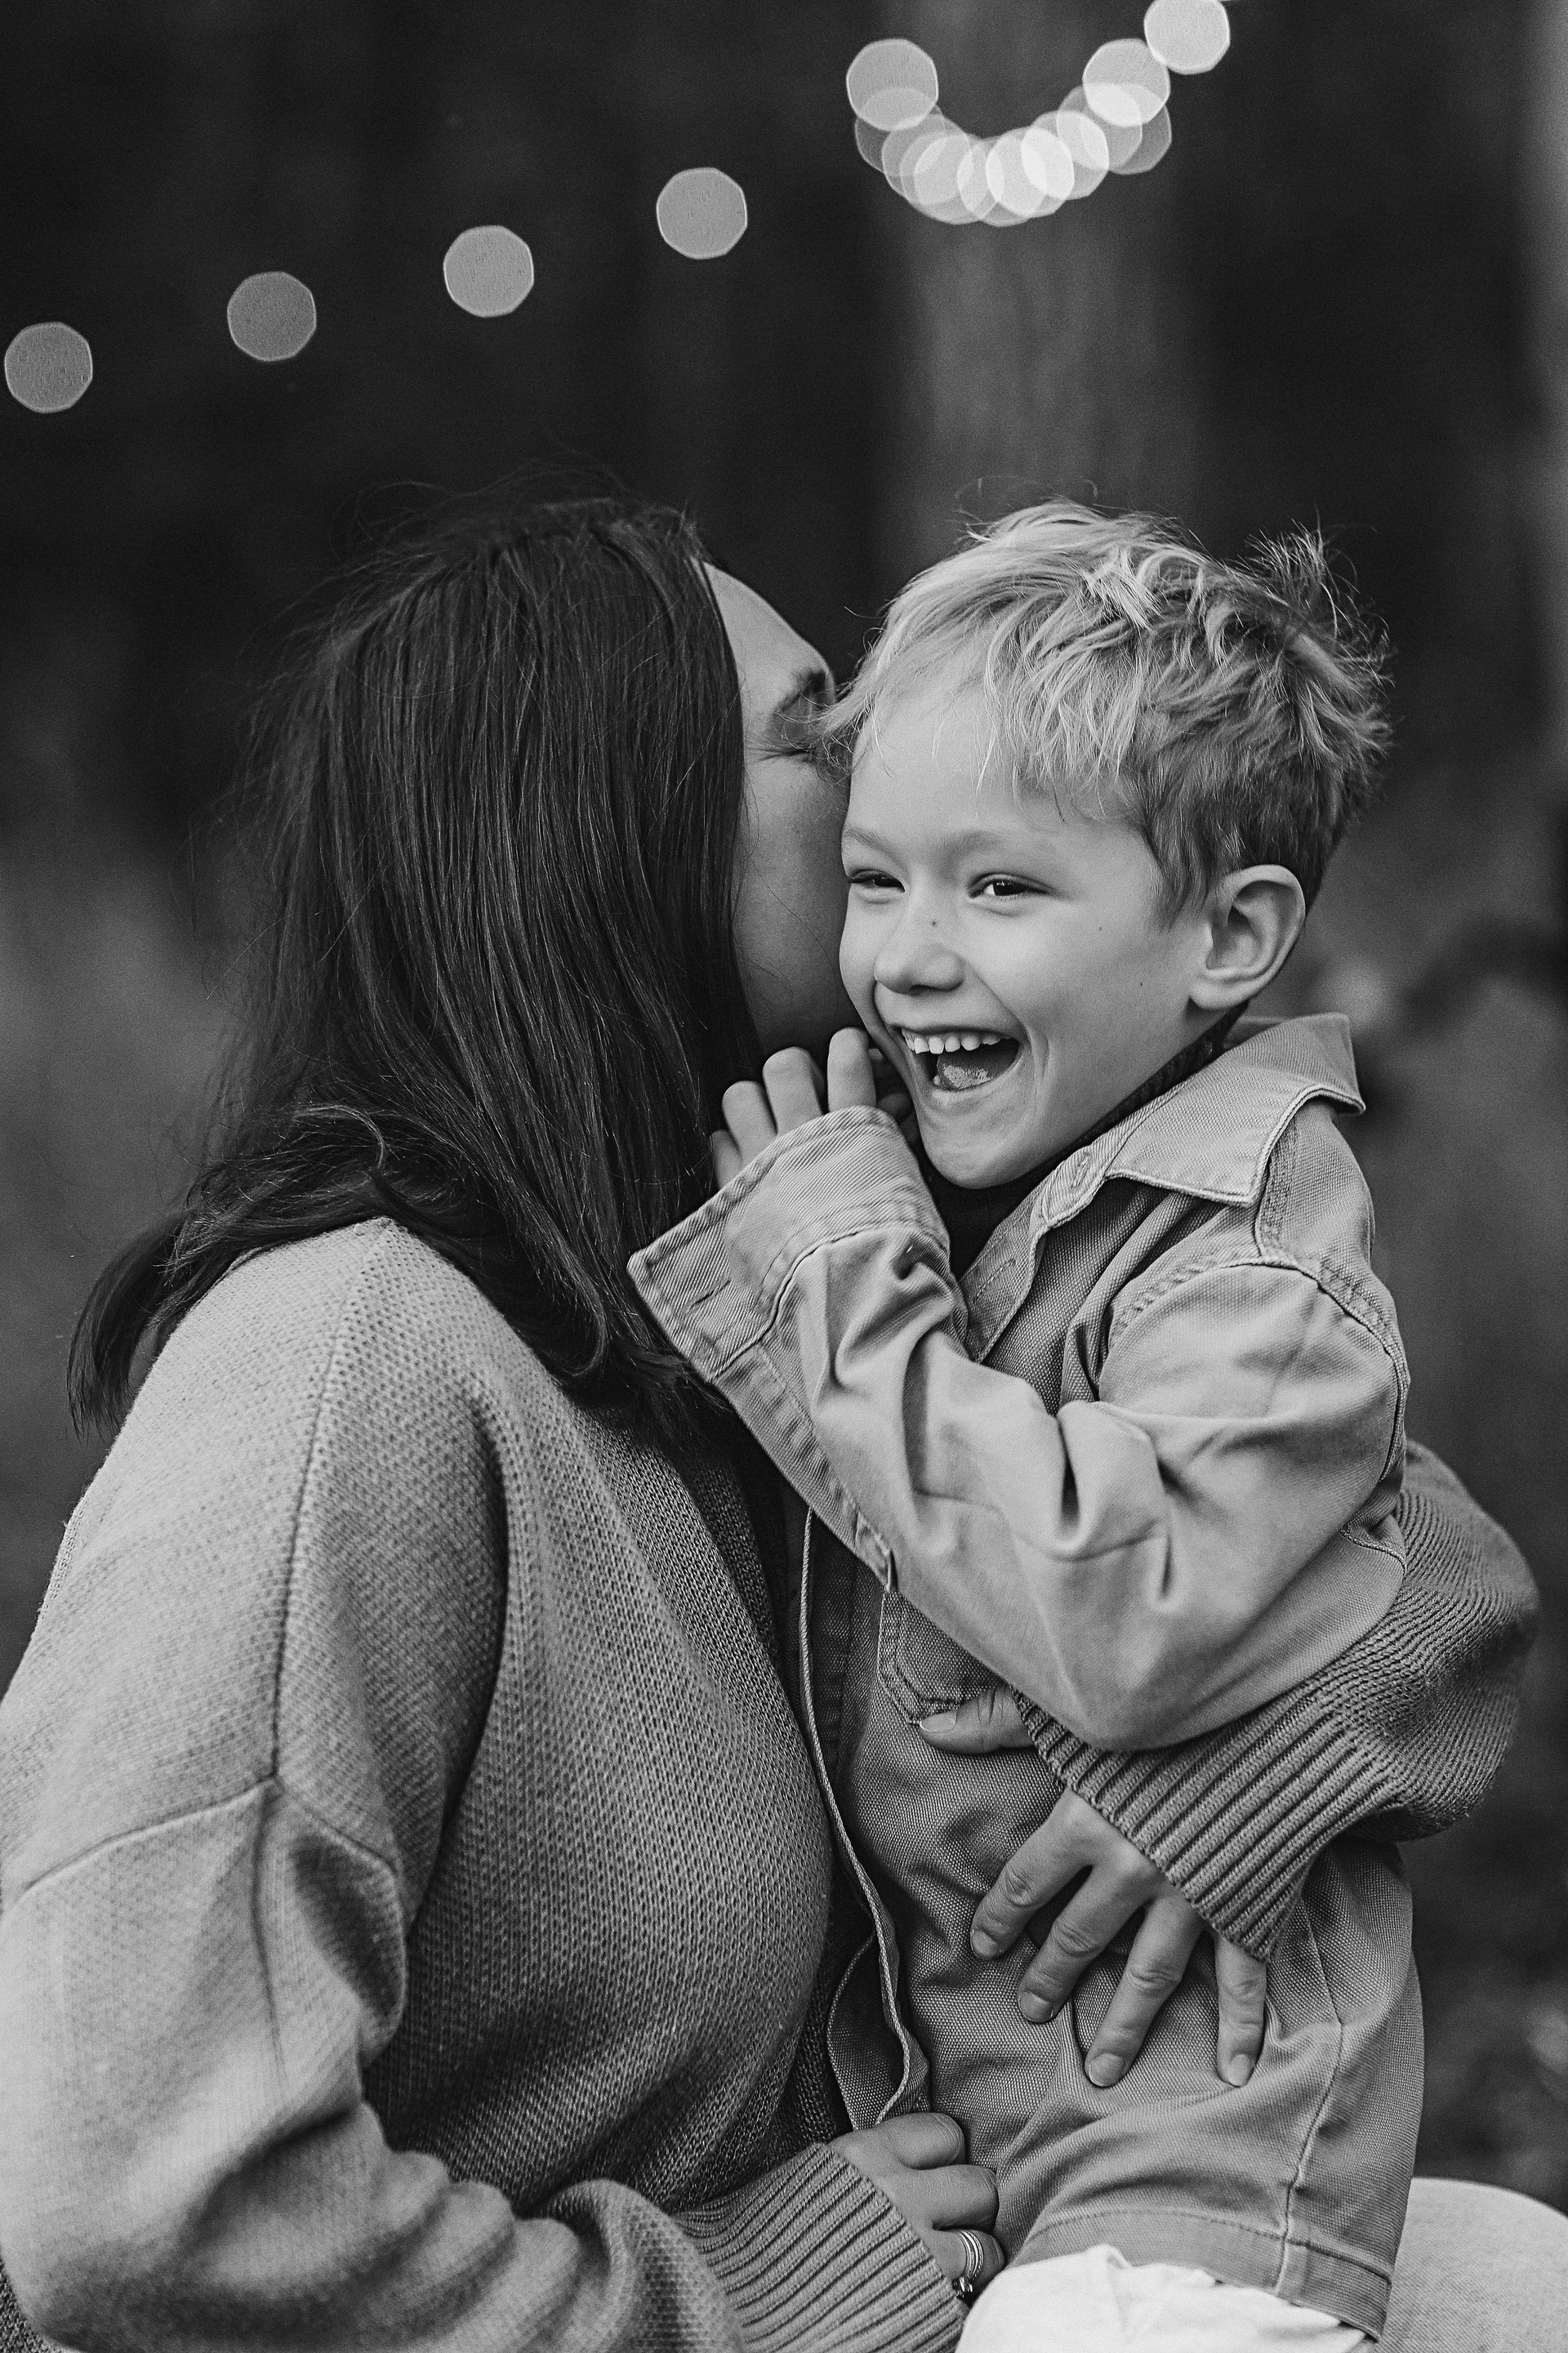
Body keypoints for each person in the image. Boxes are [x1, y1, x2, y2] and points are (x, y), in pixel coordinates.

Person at [0, 495, 1552, 2353]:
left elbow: (1422, 1542)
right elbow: (136, 2197)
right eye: (818, 737)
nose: (892, 759)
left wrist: (1230, 1767)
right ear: (614, 831)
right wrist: (744, 2293)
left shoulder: (811, 1254)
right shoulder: (344, 1366)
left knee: (1507, 2274)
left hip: (1011, 2229)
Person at [628, 503, 1534, 2349]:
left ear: (1230, 935)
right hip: (1015, 2177)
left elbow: (1125, 1604)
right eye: (876, 880)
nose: (909, 956)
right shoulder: (988, 1170)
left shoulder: (1242, 1255)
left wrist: (836, 1284)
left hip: (1187, 2197)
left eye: (1002, 890)